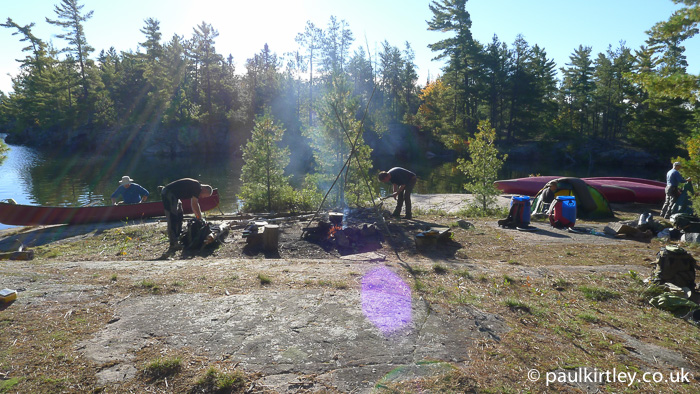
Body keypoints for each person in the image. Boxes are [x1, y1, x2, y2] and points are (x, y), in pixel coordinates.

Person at [160, 178, 214, 249]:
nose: (202, 197)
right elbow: (195, 204)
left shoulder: (196, 187)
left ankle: (178, 236)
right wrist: (199, 218)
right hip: (168, 193)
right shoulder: (197, 187)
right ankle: (173, 243)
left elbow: (193, 204)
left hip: (175, 196)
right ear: (205, 190)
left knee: (179, 216)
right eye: (204, 195)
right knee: (172, 217)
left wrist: (198, 217)